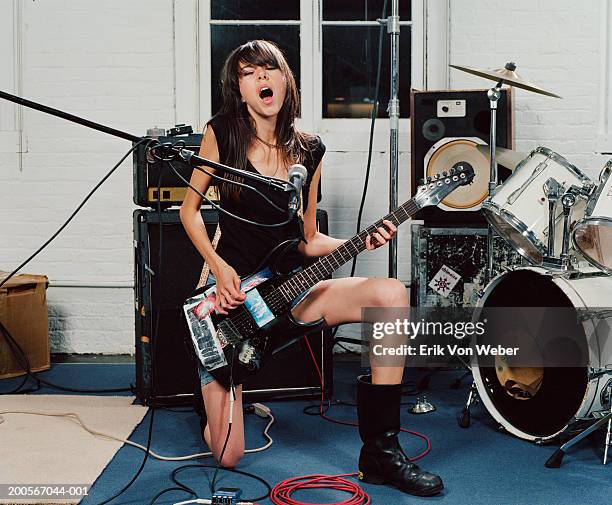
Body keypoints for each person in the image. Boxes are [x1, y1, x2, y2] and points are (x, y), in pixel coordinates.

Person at [179, 39, 443, 497]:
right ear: (239, 90)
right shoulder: (221, 132)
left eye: (269, 69)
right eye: (248, 73)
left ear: (286, 81)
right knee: (229, 455)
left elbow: (308, 240)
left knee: (390, 295)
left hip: (290, 292)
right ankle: (214, 397)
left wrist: (364, 238)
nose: (262, 78)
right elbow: (188, 211)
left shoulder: (310, 150)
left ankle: (381, 450)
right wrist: (218, 268)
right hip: (230, 304)